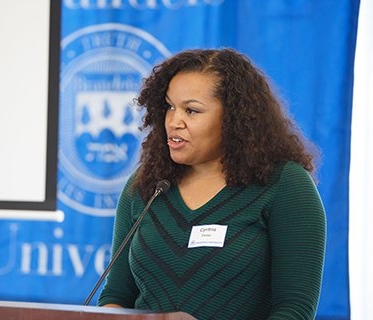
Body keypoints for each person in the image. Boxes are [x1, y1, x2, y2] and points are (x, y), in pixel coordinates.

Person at [97, 48, 326, 320]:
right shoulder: (146, 185)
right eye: (170, 106)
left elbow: (294, 310)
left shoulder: (284, 184)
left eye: (191, 110)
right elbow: (116, 298)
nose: (173, 121)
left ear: (234, 118)